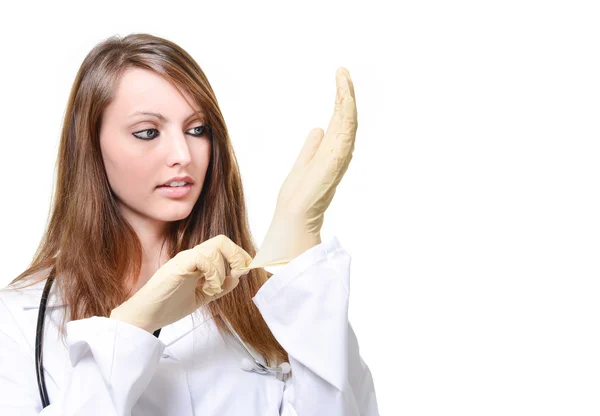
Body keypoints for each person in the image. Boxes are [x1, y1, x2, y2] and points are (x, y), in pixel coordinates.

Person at [0, 33, 379, 415]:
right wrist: (131, 327)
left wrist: (298, 246)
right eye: (148, 132)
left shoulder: (267, 304)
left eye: (197, 129)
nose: (182, 155)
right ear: (91, 144)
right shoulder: (18, 320)